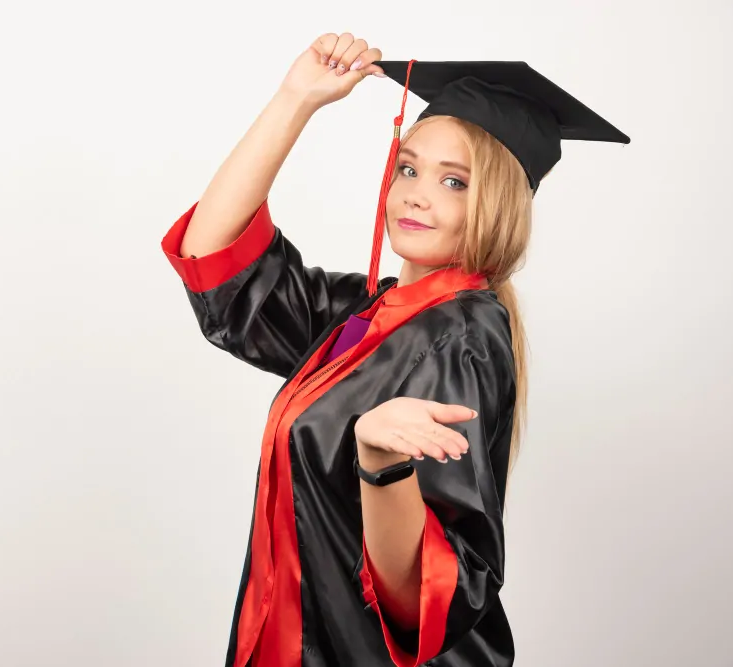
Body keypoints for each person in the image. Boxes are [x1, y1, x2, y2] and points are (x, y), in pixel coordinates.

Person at [160, 33, 629, 667]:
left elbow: (430, 600)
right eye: (408, 168)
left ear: (496, 204)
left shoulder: (459, 338)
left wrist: (382, 464)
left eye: (454, 181)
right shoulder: (366, 314)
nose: (416, 192)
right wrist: (295, 100)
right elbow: (215, 261)